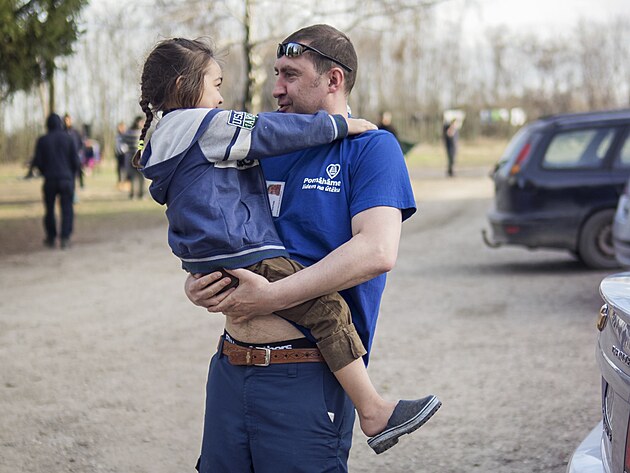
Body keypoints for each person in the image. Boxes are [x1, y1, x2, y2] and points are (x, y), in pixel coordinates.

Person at [133, 36, 435, 463]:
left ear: (334, 79)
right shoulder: (258, 148)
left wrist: (273, 296)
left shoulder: (370, 146)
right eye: (275, 74)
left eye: (290, 75)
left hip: (306, 378)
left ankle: (374, 411)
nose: (276, 88)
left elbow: (376, 251)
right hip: (230, 367)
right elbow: (212, 216)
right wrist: (198, 282)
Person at [31, 113, 82, 249]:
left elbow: (38, 162)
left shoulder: (42, 140)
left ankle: (51, 237)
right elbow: (76, 162)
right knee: (67, 209)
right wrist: (71, 175)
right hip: (66, 179)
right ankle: (65, 238)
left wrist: (45, 172)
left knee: (49, 210)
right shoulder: (69, 139)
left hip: (50, 179)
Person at [122, 116, 146, 199]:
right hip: (134, 156)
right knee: (134, 176)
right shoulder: (139, 133)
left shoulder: (129, 132)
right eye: (142, 122)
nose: (143, 124)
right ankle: (135, 194)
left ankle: (140, 193)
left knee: (140, 177)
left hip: (134, 156)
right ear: (137, 122)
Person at [114, 121, 127, 188]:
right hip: (119, 154)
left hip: (125, 154)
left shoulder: (126, 135)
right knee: (119, 168)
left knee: (125, 168)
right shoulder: (117, 135)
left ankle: (126, 182)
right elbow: (117, 145)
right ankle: (119, 182)